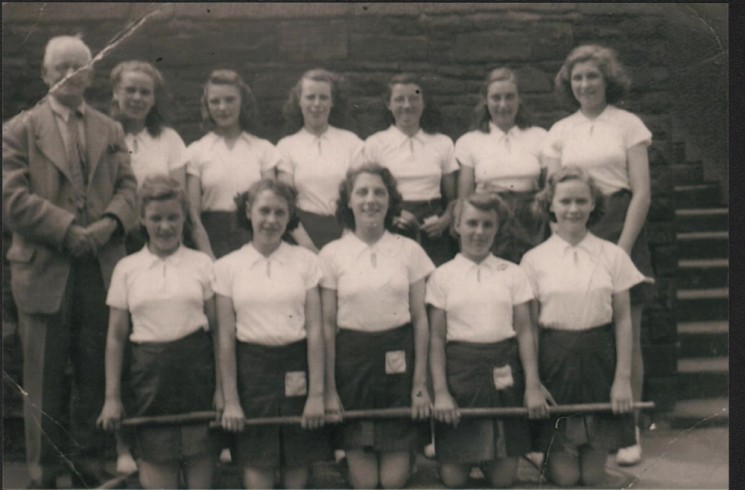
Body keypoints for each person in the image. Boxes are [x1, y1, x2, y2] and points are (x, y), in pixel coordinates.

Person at [2, 35, 137, 488]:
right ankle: (44, 472)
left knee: (98, 372)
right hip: (44, 268)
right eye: (59, 68)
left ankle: (90, 464)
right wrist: (67, 230)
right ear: (45, 75)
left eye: (78, 68)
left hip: (99, 267)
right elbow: (11, 199)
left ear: (91, 73)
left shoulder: (109, 129)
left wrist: (104, 228)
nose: (69, 76)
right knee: (41, 379)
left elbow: (129, 190)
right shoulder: (18, 129)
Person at [543, 44, 654, 465]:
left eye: (592, 77)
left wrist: (621, 250)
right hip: (576, 225)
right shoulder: (560, 130)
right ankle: (581, 429)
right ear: (568, 86)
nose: (585, 85)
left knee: (629, 329)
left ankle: (628, 434)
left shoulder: (629, 124)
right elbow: (554, 193)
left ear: (607, 80)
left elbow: (642, 191)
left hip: (622, 225)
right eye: (577, 79)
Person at [97, 175, 220, 489]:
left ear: (184, 219)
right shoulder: (127, 268)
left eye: (173, 218)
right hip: (149, 382)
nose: (165, 226)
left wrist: (222, 390)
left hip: (197, 380)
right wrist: (112, 398)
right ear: (142, 220)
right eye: (156, 218)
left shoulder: (203, 265)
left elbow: (218, 332)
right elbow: (114, 338)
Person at [520, 166, 640, 486]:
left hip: (599, 360)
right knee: (566, 478)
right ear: (551, 205)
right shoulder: (534, 260)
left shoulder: (612, 255)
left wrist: (622, 380)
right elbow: (528, 328)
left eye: (581, 201)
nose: (573, 209)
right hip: (554, 362)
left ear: (593, 205)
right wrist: (533, 382)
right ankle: (547, 458)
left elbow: (624, 320)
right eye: (565, 201)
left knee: (592, 476)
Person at [319, 164, 433, 489]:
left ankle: (406, 456)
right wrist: (329, 389)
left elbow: (421, 320)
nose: (371, 200)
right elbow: (326, 325)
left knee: (393, 482)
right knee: (366, 484)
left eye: (379, 192)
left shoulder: (409, 251)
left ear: (390, 200)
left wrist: (420, 385)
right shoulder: (331, 254)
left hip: (398, 364)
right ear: (349, 202)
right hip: (352, 368)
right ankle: (349, 457)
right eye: (362, 192)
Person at [427, 192, 549, 488]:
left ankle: (501, 453)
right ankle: (461, 454)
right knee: (453, 481)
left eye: (487, 224)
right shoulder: (441, 276)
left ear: (497, 228)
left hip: (503, 376)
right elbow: (436, 338)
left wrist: (533, 385)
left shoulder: (513, 273)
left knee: (503, 480)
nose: (479, 232)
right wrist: (441, 392)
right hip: (461, 379)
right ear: (456, 225)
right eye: (471, 223)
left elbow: (525, 332)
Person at [216, 179, 329, 489]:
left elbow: (316, 330)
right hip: (252, 375)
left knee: (297, 479)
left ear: (290, 216)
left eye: (280, 213)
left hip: (296, 369)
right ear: (248, 211)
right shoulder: (227, 267)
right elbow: (225, 338)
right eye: (264, 210)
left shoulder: (306, 261)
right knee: (258, 481)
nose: (271, 220)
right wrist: (231, 401)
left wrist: (316, 396)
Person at [361, 73, 458, 266]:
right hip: (391, 224)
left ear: (423, 103)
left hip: (433, 226)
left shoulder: (442, 143)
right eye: (399, 99)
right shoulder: (375, 143)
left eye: (414, 98)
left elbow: (452, 199)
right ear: (389, 104)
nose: (407, 105)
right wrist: (391, 216)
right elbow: (366, 192)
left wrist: (445, 221)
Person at [455, 67, 549, 264]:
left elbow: (549, 188)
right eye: (496, 98)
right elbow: (465, 197)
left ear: (519, 99)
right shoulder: (469, 141)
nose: (503, 104)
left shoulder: (540, 137)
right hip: (488, 218)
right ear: (485, 100)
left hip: (531, 222)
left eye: (509, 97)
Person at [186, 69, 280, 259]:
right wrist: (207, 255)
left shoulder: (263, 149)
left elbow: (272, 203)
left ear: (242, 102)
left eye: (230, 100)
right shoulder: (196, 151)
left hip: (254, 239)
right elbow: (193, 214)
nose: (222, 107)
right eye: (215, 101)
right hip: (211, 241)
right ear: (207, 105)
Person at [277, 68, 364, 252]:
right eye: (310, 97)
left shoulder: (352, 143)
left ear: (332, 102)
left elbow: (359, 193)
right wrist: (307, 246)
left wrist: (345, 241)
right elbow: (285, 201)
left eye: (323, 97)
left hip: (346, 230)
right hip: (301, 234)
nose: (317, 104)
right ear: (299, 101)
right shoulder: (286, 147)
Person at [110, 61, 187, 256]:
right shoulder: (103, 136)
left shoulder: (169, 139)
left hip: (161, 237)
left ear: (154, 99)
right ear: (116, 93)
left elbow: (179, 198)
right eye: (130, 90)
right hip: (113, 238)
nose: (137, 98)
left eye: (145, 92)